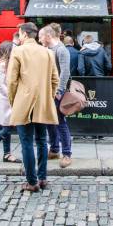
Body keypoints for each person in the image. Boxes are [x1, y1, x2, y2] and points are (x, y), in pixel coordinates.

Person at [8, 22, 59, 192]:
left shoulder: (18, 51)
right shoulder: (48, 52)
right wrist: (47, 97)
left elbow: (12, 82)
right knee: (42, 140)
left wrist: (14, 102)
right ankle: (42, 178)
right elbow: (55, 80)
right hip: (43, 103)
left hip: (24, 103)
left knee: (27, 142)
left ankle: (32, 181)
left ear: (23, 34)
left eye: (20, 34)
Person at [39, 24, 73, 169]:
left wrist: (58, 91)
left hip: (57, 93)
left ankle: (66, 154)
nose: (39, 39)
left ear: (48, 36)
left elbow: (65, 72)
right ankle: (54, 150)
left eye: (41, 36)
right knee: (49, 122)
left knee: (60, 122)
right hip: (46, 92)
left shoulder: (61, 50)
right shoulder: (46, 49)